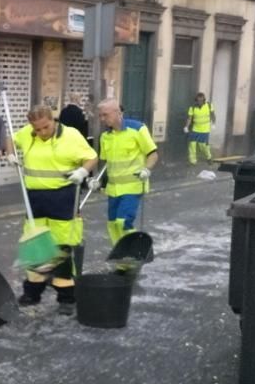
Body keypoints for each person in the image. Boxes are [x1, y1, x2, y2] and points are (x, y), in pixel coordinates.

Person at [8, 105, 98, 315]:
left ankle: (66, 295)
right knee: (35, 245)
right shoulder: (28, 133)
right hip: (35, 198)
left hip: (63, 197)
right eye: (37, 129)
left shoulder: (71, 135)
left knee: (62, 247)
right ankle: (33, 292)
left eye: (45, 127)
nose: (41, 133)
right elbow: (10, 139)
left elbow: (91, 156)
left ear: (53, 120)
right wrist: (11, 154)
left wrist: (83, 171)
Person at [91, 99, 158, 246]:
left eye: (105, 115)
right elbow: (106, 164)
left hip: (133, 186)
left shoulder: (138, 129)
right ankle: (121, 256)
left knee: (123, 222)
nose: (102, 119)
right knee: (112, 224)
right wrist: (98, 180)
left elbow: (153, 154)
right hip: (113, 189)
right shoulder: (105, 137)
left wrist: (146, 169)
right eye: (100, 116)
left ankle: (135, 249)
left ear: (118, 113)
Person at [184, 92, 216, 165]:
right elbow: (189, 118)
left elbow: (213, 115)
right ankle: (193, 161)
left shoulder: (209, 105)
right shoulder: (192, 108)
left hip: (205, 129)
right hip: (195, 129)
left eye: (201, 100)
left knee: (203, 146)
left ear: (204, 100)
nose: (200, 102)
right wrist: (186, 126)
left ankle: (209, 157)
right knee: (192, 145)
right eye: (198, 100)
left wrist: (213, 124)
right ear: (196, 100)